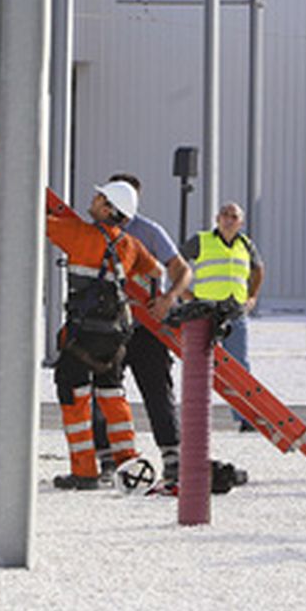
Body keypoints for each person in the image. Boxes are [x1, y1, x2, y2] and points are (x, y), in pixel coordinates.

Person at [48, 180, 161, 490]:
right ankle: (128, 462)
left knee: (74, 396)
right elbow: (156, 272)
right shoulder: (129, 245)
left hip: (80, 336)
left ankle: (84, 471)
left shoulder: (78, 234)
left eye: (99, 197)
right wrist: (155, 298)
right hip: (114, 338)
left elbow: (32, 218)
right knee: (112, 395)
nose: (94, 199)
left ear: (109, 208)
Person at [91, 173, 192, 484]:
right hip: (108, 325)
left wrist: (169, 298)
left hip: (146, 327)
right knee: (104, 391)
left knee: (157, 390)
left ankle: (172, 456)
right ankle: (108, 458)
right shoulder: (94, 231)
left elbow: (181, 269)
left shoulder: (148, 232)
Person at [180, 201, 263, 430]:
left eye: (233, 216)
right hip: (205, 311)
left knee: (239, 365)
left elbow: (259, 269)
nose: (228, 219)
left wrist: (253, 296)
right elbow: (176, 263)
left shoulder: (246, 244)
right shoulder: (201, 240)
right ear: (217, 219)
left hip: (235, 311)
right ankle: (193, 419)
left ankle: (246, 418)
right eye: (224, 214)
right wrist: (184, 293)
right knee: (198, 366)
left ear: (241, 222)